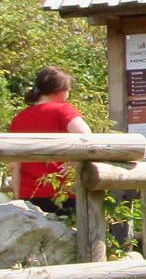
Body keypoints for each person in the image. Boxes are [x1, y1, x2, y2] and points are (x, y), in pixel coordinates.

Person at [9, 67, 92, 215]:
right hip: (63, 192)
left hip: (30, 195)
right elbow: (86, 135)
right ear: (60, 90)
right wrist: (73, 162)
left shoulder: (19, 118)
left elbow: (15, 165)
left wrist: (18, 196)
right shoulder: (63, 110)